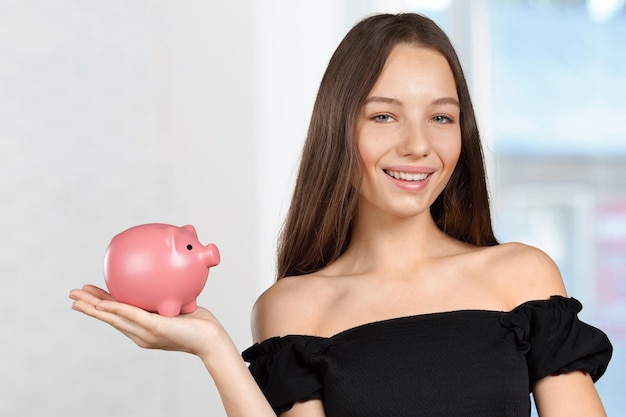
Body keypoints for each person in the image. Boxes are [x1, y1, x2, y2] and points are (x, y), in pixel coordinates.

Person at [69, 12, 612, 417]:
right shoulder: (296, 306)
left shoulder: (521, 277)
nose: (419, 145)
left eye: (442, 118)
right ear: (338, 129)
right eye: (384, 115)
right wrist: (214, 348)